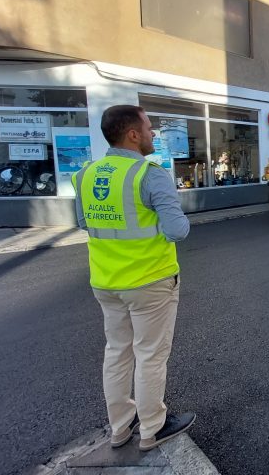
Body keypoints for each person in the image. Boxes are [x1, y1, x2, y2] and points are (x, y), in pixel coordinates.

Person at [72, 105, 194, 451]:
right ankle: (152, 428)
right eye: (150, 128)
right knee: (150, 356)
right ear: (133, 134)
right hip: (150, 282)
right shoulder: (149, 175)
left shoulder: (86, 174)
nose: (154, 133)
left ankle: (120, 428)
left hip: (106, 282)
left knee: (117, 353)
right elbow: (178, 230)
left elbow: (83, 223)